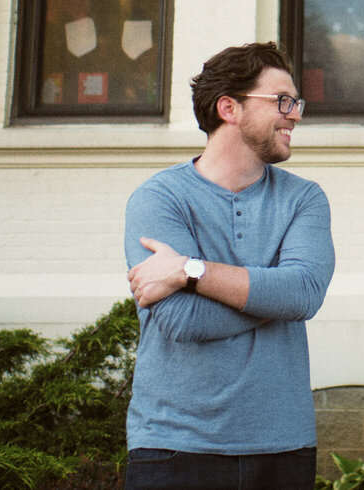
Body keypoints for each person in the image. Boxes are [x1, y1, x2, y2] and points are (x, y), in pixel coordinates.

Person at [123, 42, 336, 490]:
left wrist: (191, 272)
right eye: (281, 100)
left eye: (295, 102)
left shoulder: (304, 198)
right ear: (229, 108)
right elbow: (183, 319)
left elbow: (304, 293)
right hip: (173, 446)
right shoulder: (159, 199)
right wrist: (273, 295)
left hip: (282, 446)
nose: (294, 114)